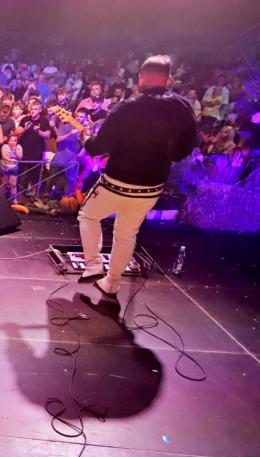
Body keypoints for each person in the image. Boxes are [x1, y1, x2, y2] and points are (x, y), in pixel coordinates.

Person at [77, 55, 197, 297]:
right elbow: (183, 151)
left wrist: (86, 138)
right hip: (151, 188)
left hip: (116, 183)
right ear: (169, 79)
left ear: (141, 78)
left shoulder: (127, 107)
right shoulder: (183, 107)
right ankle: (111, 283)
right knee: (126, 233)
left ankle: (93, 265)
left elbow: (98, 147)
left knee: (88, 215)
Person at [0, 134, 23, 203]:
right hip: (4, 167)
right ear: (8, 141)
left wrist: (16, 150)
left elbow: (20, 157)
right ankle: (0, 197)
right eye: (11, 140)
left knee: (13, 184)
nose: (13, 142)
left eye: (15, 141)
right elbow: (4, 156)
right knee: (3, 183)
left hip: (14, 168)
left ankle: (14, 199)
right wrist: (10, 160)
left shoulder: (18, 147)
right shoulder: (5, 146)